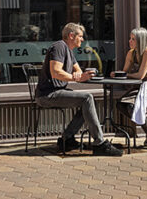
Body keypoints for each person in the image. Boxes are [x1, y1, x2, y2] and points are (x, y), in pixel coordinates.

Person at [36, 22, 122, 157]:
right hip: (47, 95)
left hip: (57, 92)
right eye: (80, 36)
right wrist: (75, 77)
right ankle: (99, 144)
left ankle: (67, 138)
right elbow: (55, 72)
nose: (82, 39)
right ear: (71, 35)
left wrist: (80, 75)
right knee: (87, 98)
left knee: (86, 102)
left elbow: (79, 72)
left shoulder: (69, 51)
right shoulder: (59, 47)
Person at [117, 27, 147, 147]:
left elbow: (140, 75)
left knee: (132, 105)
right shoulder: (131, 53)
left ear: (141, 40)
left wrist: (125, 74)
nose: (130, 41)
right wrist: (117, 74)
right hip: (143, 85)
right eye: (130, 38)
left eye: (133, 39)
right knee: (121, 104)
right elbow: (125, 72)